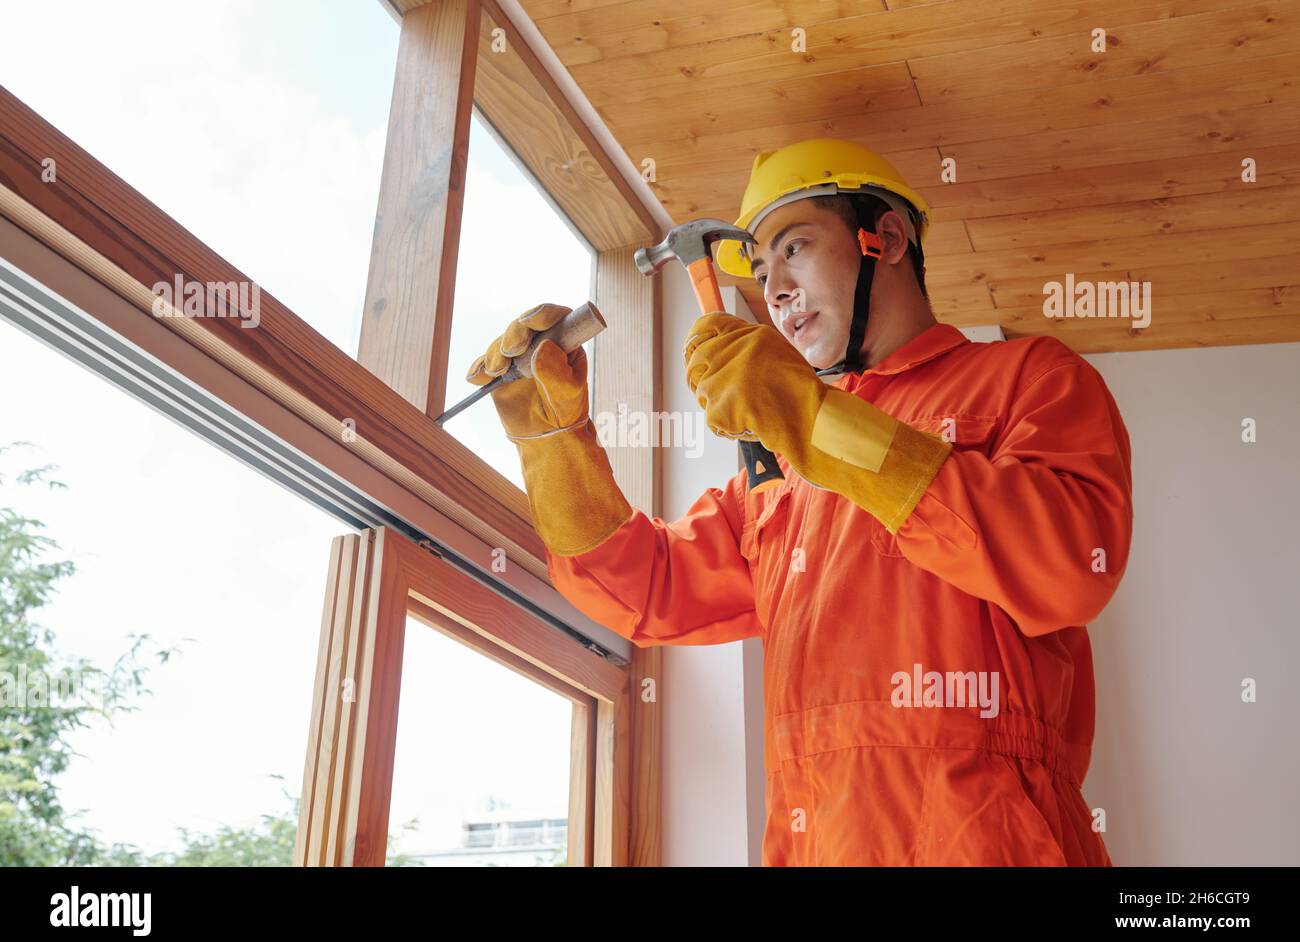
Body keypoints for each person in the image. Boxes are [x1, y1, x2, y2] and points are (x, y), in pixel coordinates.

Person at [466, 138, 1133, 866]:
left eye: (795, 248)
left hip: (992, 843)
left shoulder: (1027, 377)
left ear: (888, 238)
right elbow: (646, 590)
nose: (773, 288)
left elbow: (1070, 563)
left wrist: (813, 419)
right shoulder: (781, 472)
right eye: (757, 270)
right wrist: (553, 442)